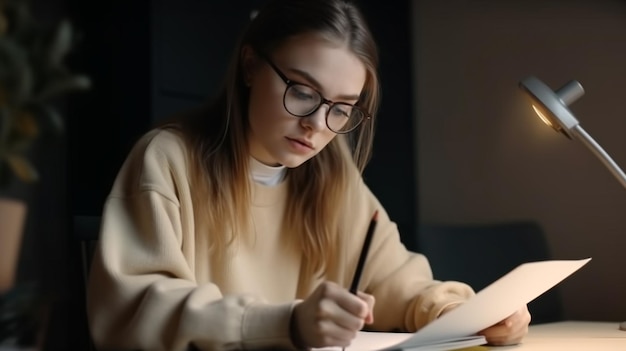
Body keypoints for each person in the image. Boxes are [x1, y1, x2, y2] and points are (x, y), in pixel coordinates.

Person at [85, 0, 531, 350]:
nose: (318, 125)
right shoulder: (168, 159)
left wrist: (466, 313)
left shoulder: (333, 174)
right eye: (302, 92)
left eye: (341, 109)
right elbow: (135, 311)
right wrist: (287, 323)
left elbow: (400, 283)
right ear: (249, 66)